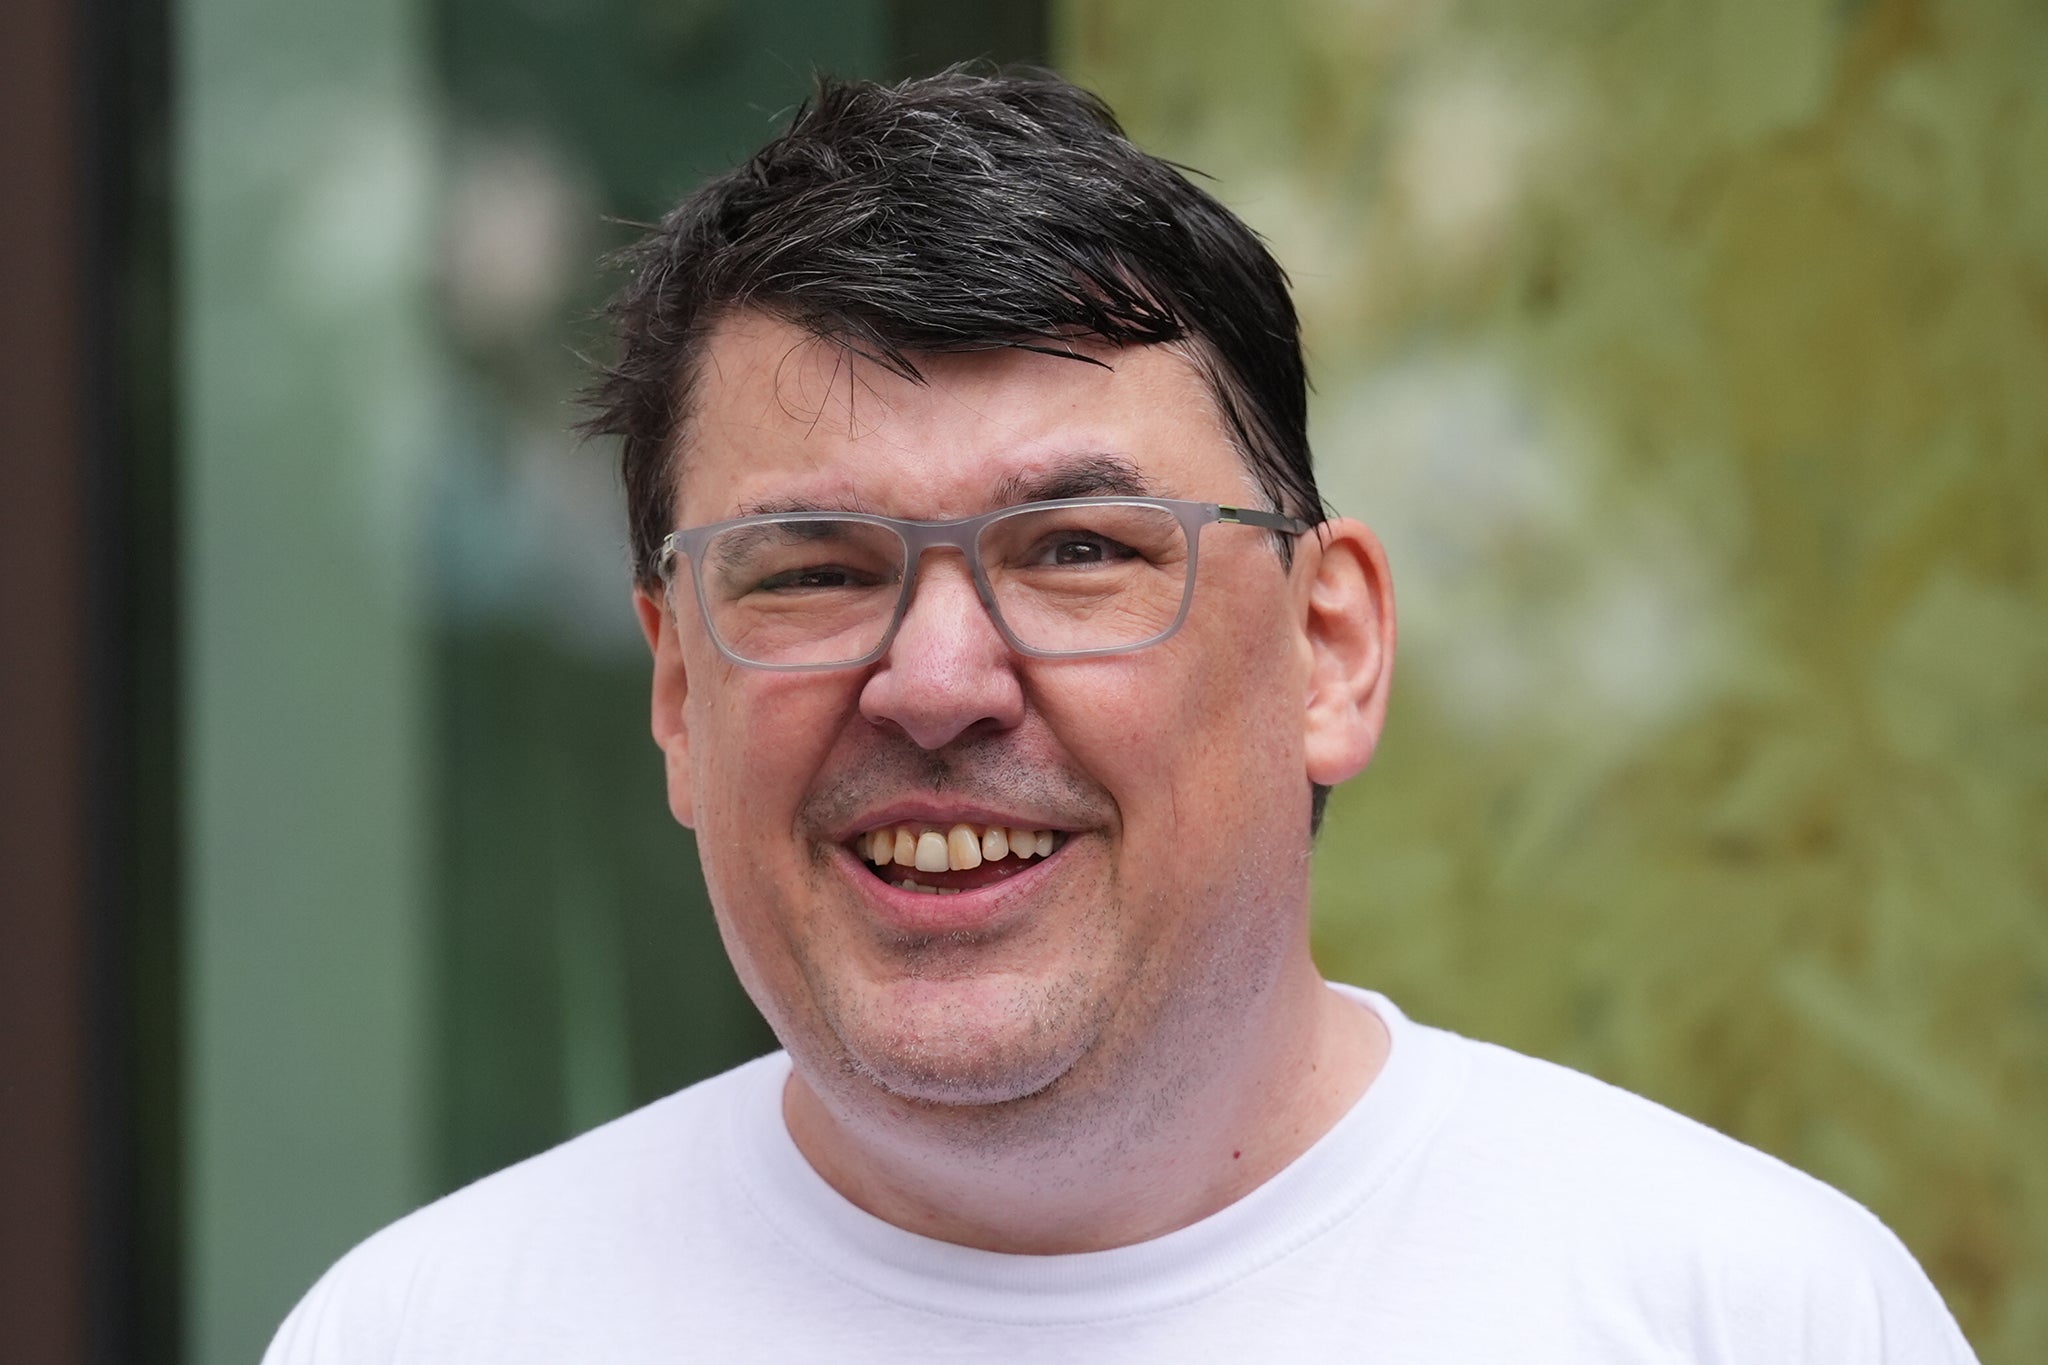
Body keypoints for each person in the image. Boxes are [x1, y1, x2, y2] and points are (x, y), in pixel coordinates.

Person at [265, 69, 1977, 1362]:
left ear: (1331, 651)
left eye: (1076, 550)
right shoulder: (434, 1332)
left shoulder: (1743, 1316)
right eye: (812, 571)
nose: (934, 681)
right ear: (675, 686)